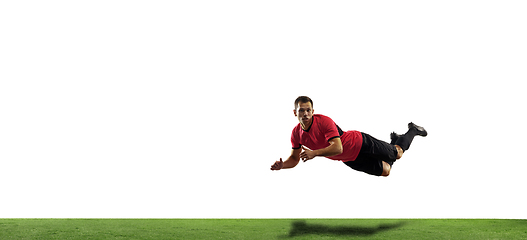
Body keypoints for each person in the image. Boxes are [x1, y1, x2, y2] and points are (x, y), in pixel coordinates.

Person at [270, 96, 427, 176]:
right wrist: (283, 166)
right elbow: (295, 158)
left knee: (398, 154)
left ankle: (412, 130)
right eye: (301, 110)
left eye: (308, 110)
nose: (305, 114)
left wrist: (314, 153)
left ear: (312, 111)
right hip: (349, 159)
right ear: (294, 112)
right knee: (386, 171)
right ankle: (393, 142)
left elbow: (338, 147)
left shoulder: (324, 122)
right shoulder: (296, 134)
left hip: (359, 143)